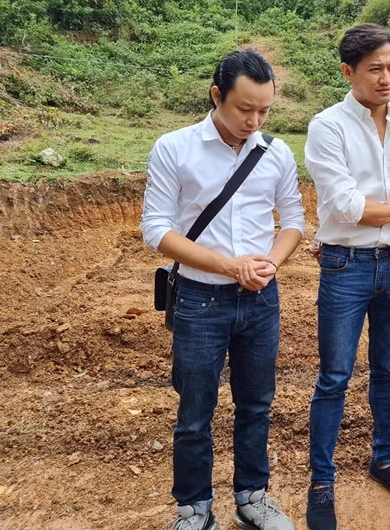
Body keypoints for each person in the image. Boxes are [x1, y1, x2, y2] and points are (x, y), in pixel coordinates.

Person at [140, 50, 304, 530]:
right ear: (217, 96)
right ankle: (194, 509)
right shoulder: (175, 148)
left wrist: (271, 263)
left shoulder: (276, 153)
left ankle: (252, 497)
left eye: (264, 111)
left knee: (256, 404)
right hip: (198, 299)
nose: (254, 121)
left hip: (260, 299)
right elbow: (156, 229)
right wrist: (229, 266)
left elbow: (294, 220)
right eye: (244, 109)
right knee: (195, 412)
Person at [303, 24, 390, 530]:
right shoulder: (328, 127)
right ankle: (321, 481)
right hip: (345, 266)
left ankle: (384, 460)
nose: (386, 78)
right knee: (334, 377)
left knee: (388, 371)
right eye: (375, 68)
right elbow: (345, 205)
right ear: (348, 71)